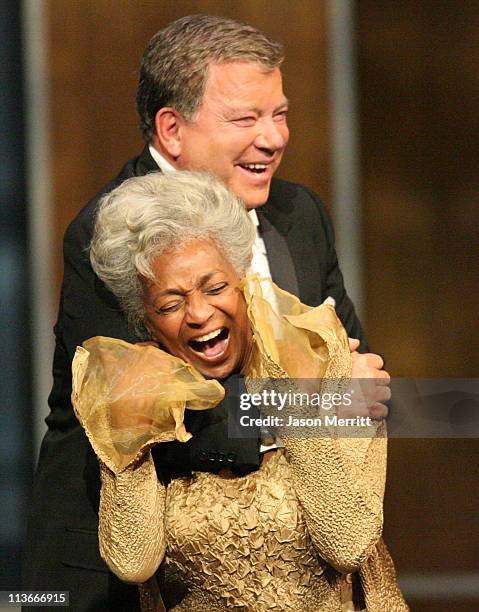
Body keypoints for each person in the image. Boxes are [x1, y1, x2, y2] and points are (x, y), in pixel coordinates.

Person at [23, 14, 378, 611]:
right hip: (130, 573)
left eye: (280, 114)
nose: (273, 138)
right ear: (172, 129)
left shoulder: (299, 214)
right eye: (246, 119)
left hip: (302, 567)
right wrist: (312, 403)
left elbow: (362, 375)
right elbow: (154, 419)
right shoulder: (112, 236)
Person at [72, 170, 407, 611]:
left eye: (214, 288)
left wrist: (294, 394)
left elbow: (346, 541)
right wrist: (134, 425)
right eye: (170, 305)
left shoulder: (321, 360)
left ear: (245, 279)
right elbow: (133, 561)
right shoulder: (137, 397)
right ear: (147, 322)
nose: (198, 313)